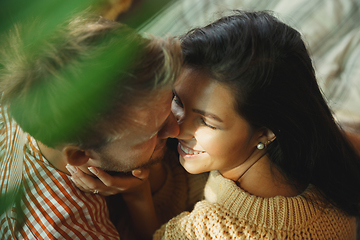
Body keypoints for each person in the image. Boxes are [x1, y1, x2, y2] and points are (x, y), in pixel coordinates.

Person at [71, 10, 360, 239]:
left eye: (206, 121)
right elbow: (197, 189)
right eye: (177, 101)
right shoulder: (322, 146)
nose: (174, 129)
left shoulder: (221, 229)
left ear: (266, 130)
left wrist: (137, 197)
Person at [0, 13, 207, 239]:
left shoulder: (26, 97)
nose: (176, 129)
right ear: (79, 155)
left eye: (171, 100)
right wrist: (139, 197)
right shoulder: (67, 231)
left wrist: (140, 188)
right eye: (153, 133)